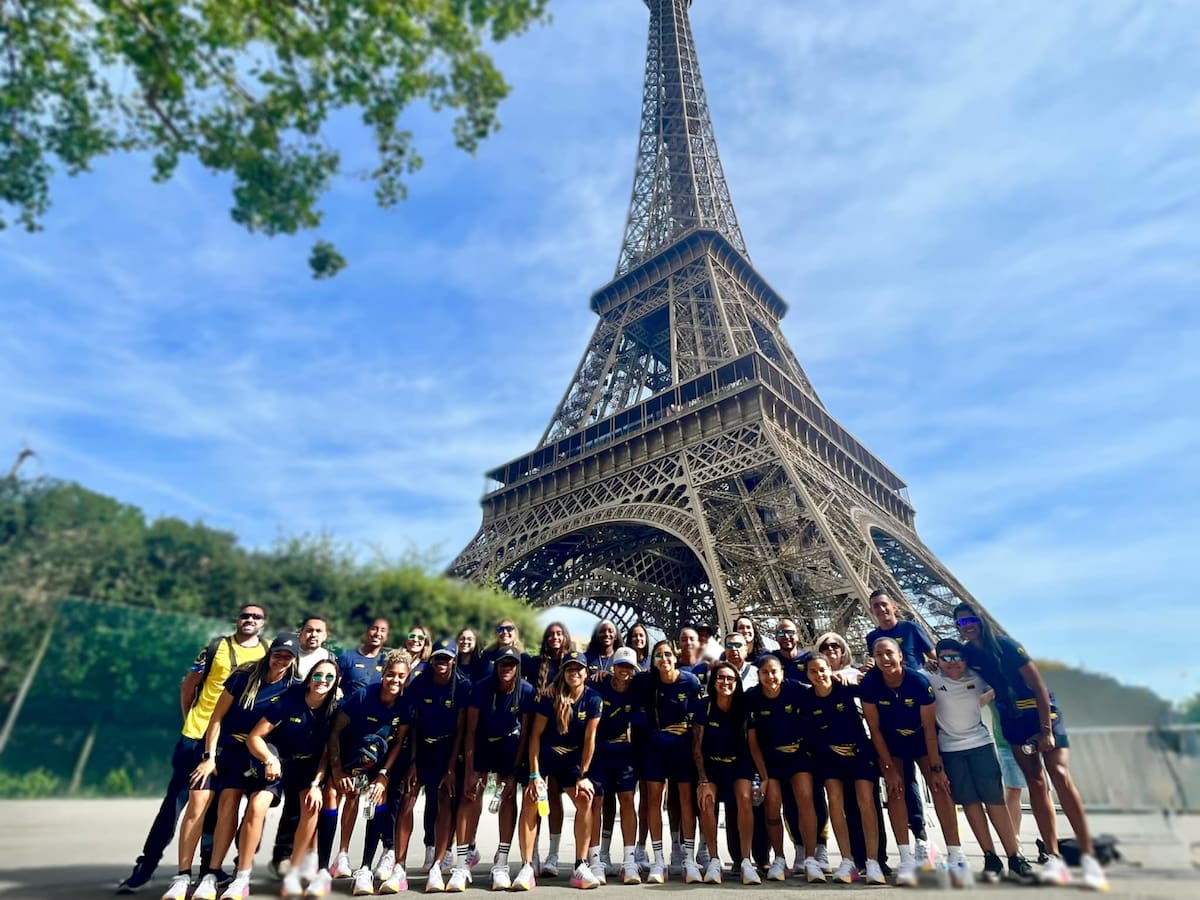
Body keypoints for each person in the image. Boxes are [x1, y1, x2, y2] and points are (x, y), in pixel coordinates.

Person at [954, 603, 1108, 890]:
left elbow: (1038, 687)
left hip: (1042, 714)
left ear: (981, 620)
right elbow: (953, 670)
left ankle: (1088, 856)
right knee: (1036, 784)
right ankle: (1053, 857)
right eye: (961, 623)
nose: (967, 625)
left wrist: (1046, 731)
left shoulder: (1008, 646)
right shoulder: (970, 654)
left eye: (971, 619)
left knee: (1060, 776)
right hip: (1013, 720)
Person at [118, 604, 268, 895]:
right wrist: (191, 721)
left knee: (221, 806)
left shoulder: (267, 652)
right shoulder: (215, 648)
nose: (249, 620)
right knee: (177, 804)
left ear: (263, 623)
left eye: (256, 617)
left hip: (233, 742)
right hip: (198, 736)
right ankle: (145, 867)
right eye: (245, 615)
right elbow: (188, 686)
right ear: (237, 619)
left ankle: (209, 870)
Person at [165, 634, 299, 900]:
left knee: (229, 806)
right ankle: (182, 877)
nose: (281, 659)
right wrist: (209, 755)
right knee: (198, 802)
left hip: (254, 755)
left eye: (288, 656)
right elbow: (216, 718)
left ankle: (212, 874)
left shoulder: (293, 687)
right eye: (278, 653)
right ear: (270, 653)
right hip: (221, 748)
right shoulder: (243, 677)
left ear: (293, 659)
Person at [927, 638, 1035, 884]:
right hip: (951, 750)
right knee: (971, 803)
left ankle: (1014, 856)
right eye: (946, 658)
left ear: (965, 659)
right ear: (937, 659)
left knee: (994, 801)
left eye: (957, 657)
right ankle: (990, 855)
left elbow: (1002, 681)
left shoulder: (977, 677)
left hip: (980, 745)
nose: (952, 663)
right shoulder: (930, 678)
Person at [860, 636, 959, 888]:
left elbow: (929, 729)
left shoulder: (918, 682)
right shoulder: (870, 684)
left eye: (889, 653)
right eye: (879, 654)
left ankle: (956, 856)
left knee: (940, 789)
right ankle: (905, 858)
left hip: (920, 739)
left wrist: (936, 769)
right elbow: (875, 728)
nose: (885, 658)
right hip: (891, 743)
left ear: (901, 656)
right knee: (895, 791)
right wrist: (889, 769)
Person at [383, 638, 471, 892]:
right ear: (431, 660)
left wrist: (452, 767)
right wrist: (412, 762)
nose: (441, 662)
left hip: (448, 750)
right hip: (420, 747)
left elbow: (462, 730)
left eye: (446, 658)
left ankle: (437, 864)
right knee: (407, 798)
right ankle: (399, 865)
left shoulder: (463, 686)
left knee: (444, 801)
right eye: (437, 658)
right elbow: (411, 725)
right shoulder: (419, 683)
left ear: (453, 660)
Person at [250, 658, 341, 898]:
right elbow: (255, 737)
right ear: (310, 678)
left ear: (336, 683)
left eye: (329, 677)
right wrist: (269, 759)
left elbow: (326, 754)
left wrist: (315, 784)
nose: (323, 681)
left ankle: (293, 872)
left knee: (311, 806)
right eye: (319, 675)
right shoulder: (290, 700)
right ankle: (241, 875)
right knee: (257, 805)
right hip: (279, 764)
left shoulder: (334, 709)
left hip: (308, 769)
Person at [515, 650, 602, 890]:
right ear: (563, 672)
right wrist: (534, 775)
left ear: (586, 672)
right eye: (569, 668)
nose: (574, 673)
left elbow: (590, 740)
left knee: (586, 797)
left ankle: (581, 864)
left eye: (578, 668)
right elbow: (534, 736)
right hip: (545, 755)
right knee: (531, 799)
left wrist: (583, 775)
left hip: (571, 758)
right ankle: (527, 865)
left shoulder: (594, 699)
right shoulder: (548, 698)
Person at [326, 651, 409, 896]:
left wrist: (383, 775)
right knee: (350, 796)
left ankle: (365, 868)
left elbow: (398, 742)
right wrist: (338, 769)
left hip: (381, 763)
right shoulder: (362, 695)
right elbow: (335, 732)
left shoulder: (405, 704)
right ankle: (341, 856)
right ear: (383, 674)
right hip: (353, 757)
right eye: (391, 674)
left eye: (401, 676)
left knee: (378, 798)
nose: (395, 680)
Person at [801, 654, 887, 885]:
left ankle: (872, 861)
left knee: (865, 802)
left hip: (859, 752)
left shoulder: (847, 689)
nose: (818, 675)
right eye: (813, 671)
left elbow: (874, 697)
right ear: (807, 674)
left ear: (830, 669)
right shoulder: (807, 698)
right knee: (835, 804)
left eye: (822, 670)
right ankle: (847, 860)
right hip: (829, 757)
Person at [459, 646, 536, 890]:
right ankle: (463, 860)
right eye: (503, 663)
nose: (507, 668)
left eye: (512, 664)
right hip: (483, 743)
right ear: (496, 664)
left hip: (509, 746)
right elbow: (470, 730)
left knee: (508, 797)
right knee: (471, 795)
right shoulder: (481, 687)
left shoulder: (526, 690)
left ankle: (501, 861)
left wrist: (513, 771)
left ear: (517, 667)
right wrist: (470, 769)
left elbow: (525, 733)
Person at [271, 615, 337, 878]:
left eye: (318, 631)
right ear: (300, 633)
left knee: (306, 804)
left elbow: (333, 686)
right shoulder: (287, 654)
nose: (312, 635)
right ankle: (278, 856)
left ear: (325, 635)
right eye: (308, 630)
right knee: (275, 803)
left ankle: (305, 859)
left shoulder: (329, 659)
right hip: (281, 741)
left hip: (313, 744)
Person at [745, 655, 820, 882]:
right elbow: (753, 742)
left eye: (774, 671)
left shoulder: (796, 689)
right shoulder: (752, 698)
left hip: (798, 756)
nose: (770, 677)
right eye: (765, 672)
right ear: (758, 675)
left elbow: (821, 686)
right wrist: (764, 776)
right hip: (770, 761)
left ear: (782, 672)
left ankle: (810, 858)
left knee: (805, 797)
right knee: (772, 804)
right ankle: (778, 857)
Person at [638, 639, 703, 884]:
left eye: (667, 655)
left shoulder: (691, 681)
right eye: (658, 656)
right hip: (655, 748)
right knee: (654, 800)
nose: (663, 660)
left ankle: (688, 858)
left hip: (682, 750)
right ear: (652, 661)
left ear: (675, 657)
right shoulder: (645, 681)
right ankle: (658, 859)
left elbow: (699, 718)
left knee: (686, 801)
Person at [693, 661, 760, 885]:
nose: (725, 682)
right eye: (720, 678)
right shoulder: (704, 706)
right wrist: (702, 780)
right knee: (707, 800)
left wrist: (764, 776)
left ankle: (746, 860)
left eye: (730, 678)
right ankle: (713, 858)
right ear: (713, 682)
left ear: (737, 682)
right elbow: (697, 746)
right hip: (712, 765)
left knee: (744, 798)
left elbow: (753, 746)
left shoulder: (744, 707)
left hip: (739, 764)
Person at [588, 647, 641, 884]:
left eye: (629, 667)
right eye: (621, 666)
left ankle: (629, 861)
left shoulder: (638, 689)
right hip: (600, 751)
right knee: (596, 802)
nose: (625, 671)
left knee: (627, 801)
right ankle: (595, 859)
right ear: (613, 667)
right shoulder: (599, 684)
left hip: (624, 753)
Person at [527, 622, 571, 875]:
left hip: (564, 736)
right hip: (540, 734)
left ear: (565, 637)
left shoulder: (575, 662)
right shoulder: (536, 664)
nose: (555, 637)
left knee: (554, 797)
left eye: (558, 634)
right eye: (550, 634)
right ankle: (532, 853)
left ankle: (553, 854)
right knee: (538, 796)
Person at [864, 589, 935, 671]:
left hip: (916, 680)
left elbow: (933, 655)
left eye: (884, 604)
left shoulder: (911, 628)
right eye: (876, 606)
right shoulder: (871, 637)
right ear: (871, 611)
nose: (882, 609)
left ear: (894, 607)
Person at [337, 618, 391, 695]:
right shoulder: (347, 658)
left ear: (387, 637)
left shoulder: (387, 662)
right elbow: (333, 686)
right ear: (366, 632)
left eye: (383, 630)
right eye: (374, 629)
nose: (378, 633)